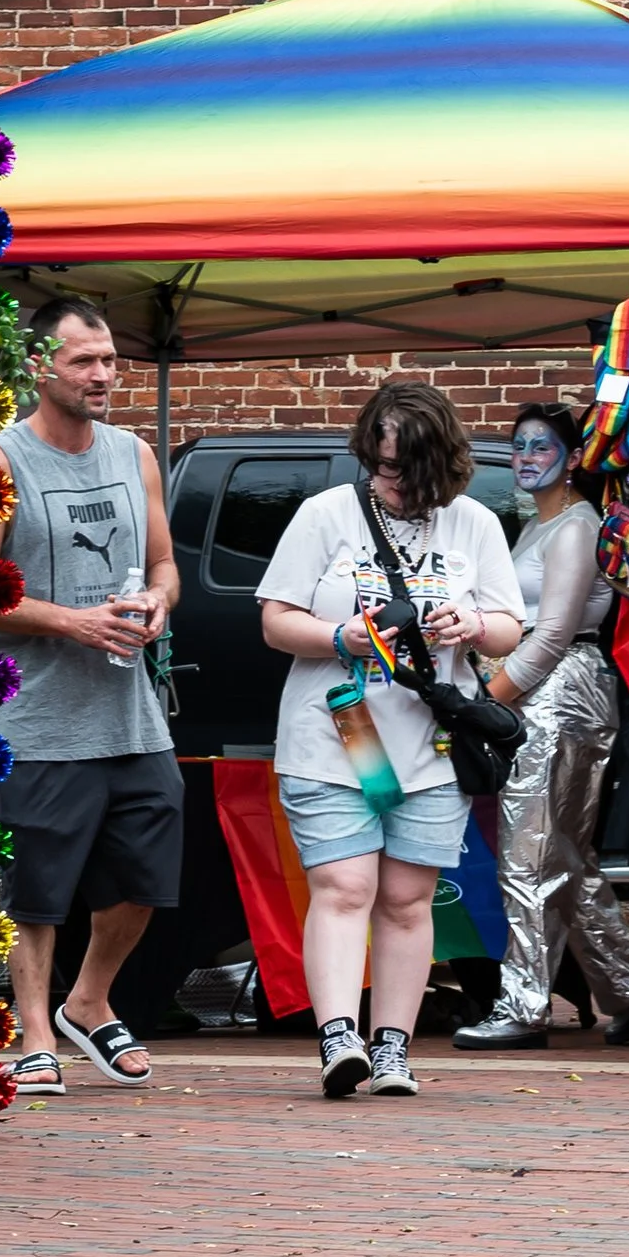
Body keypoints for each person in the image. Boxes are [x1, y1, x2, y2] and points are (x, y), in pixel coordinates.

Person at [258, 381, 524, 1096]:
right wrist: (337, 635)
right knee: (345, 885)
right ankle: (338, 1036)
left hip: (431, 742)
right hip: (336, 731)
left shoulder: (473, 524)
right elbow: (275, 619)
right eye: (380, 462)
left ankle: (393, 1048)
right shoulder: (326, 515)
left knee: (408, 897)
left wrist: (470, 625)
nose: (389, 478)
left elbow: (509, 626)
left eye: (404, 467)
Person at [0, 296, 182, 1098]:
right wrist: (70, 623)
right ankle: (37, 1032)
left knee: (150, 870)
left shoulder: (134, 455)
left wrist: (157, 603)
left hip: (129, 713)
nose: (103, 375)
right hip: (37, 717)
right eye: (84, 361)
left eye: (110, 360)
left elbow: (165, 565)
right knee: (38, 889)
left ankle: (89, 999)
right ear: (39, 367)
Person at [455, 404, 629, 1050]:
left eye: (540, 446)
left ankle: (523, 1005)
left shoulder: (574, 528)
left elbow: (553, 634)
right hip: (548, 694)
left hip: (560, 691)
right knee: (564, 853)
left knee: (528, 854)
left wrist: (488, 699)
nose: (524, 456)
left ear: (572, 458)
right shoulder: (537, 527)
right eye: (517, 445)